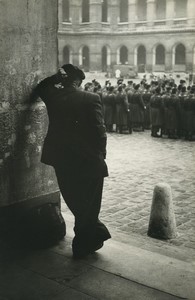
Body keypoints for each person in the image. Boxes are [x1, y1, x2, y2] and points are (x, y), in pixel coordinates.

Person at [31, 64, 111, 258]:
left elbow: (41, 87)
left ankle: (92, 237)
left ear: (64, 80)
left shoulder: (53, 97)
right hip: (89, 159)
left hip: (62, 158)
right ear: (78, 81)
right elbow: (99, 131)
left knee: (74, 199)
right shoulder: (91, 98)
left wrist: (56, 77)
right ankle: (84, 242)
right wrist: (102, 153)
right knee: (90, 204)